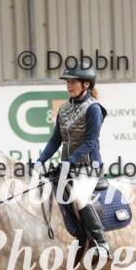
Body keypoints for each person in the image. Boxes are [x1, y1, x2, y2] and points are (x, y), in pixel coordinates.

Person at [36, 66, 111, 259]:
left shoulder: (94, 109)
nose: (69, 85)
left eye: (73, 82)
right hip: (67, 166)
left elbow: (90, 142)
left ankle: (101, 243)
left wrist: (70, 161)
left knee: (79, 197)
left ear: (86, 84)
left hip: (89, 167)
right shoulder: (64, 108)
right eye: (67, 82)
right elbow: (55, 140)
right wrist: (40, 160)